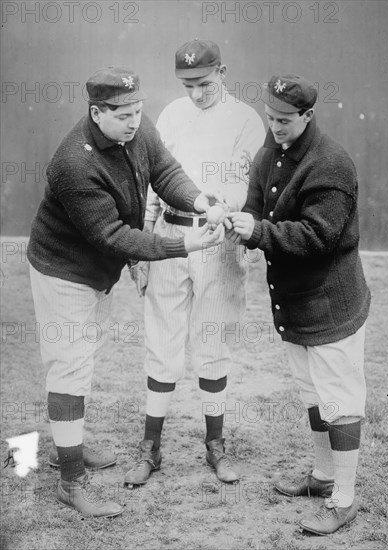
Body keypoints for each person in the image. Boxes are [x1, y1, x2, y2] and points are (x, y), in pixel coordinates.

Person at [27, 65, 225, 517]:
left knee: (81, 359)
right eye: (123, 114)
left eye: (138, 110)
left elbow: (166, 171)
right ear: (97, 113)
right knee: (69, 369)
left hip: (96, 271)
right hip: (65, 271)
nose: (135, 121)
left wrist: (200, 202)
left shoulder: (135, 127)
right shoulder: (74, 162)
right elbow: (114, 236)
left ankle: (65, 448)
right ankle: (70, 481)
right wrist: (182, 244)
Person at [229, 74, 371, 535]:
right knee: (312, 393)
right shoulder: (271, 151)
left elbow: (317, 237)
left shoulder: (330, 164)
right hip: (293, 303)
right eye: (270, 117)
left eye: (285, 120)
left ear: (308, 115)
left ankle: (344, 499)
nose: (275, 127)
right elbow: (254, 206)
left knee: (340, 399)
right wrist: (235, 221)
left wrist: (256, 233)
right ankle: (323, 474)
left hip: (331, 304)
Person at [126, 40, 265, 487]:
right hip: (169, 233)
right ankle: (151, 448)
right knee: (161, 342)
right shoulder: (169, 115)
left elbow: (249, 184)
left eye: (204, 83)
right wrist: (143, 245)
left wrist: (229, 212)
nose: (196, 93)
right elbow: (152, 183)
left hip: (218, 240)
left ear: (222, 72)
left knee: (212, 341)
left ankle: (215, 445)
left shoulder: (245, 120)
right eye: (187, 85)